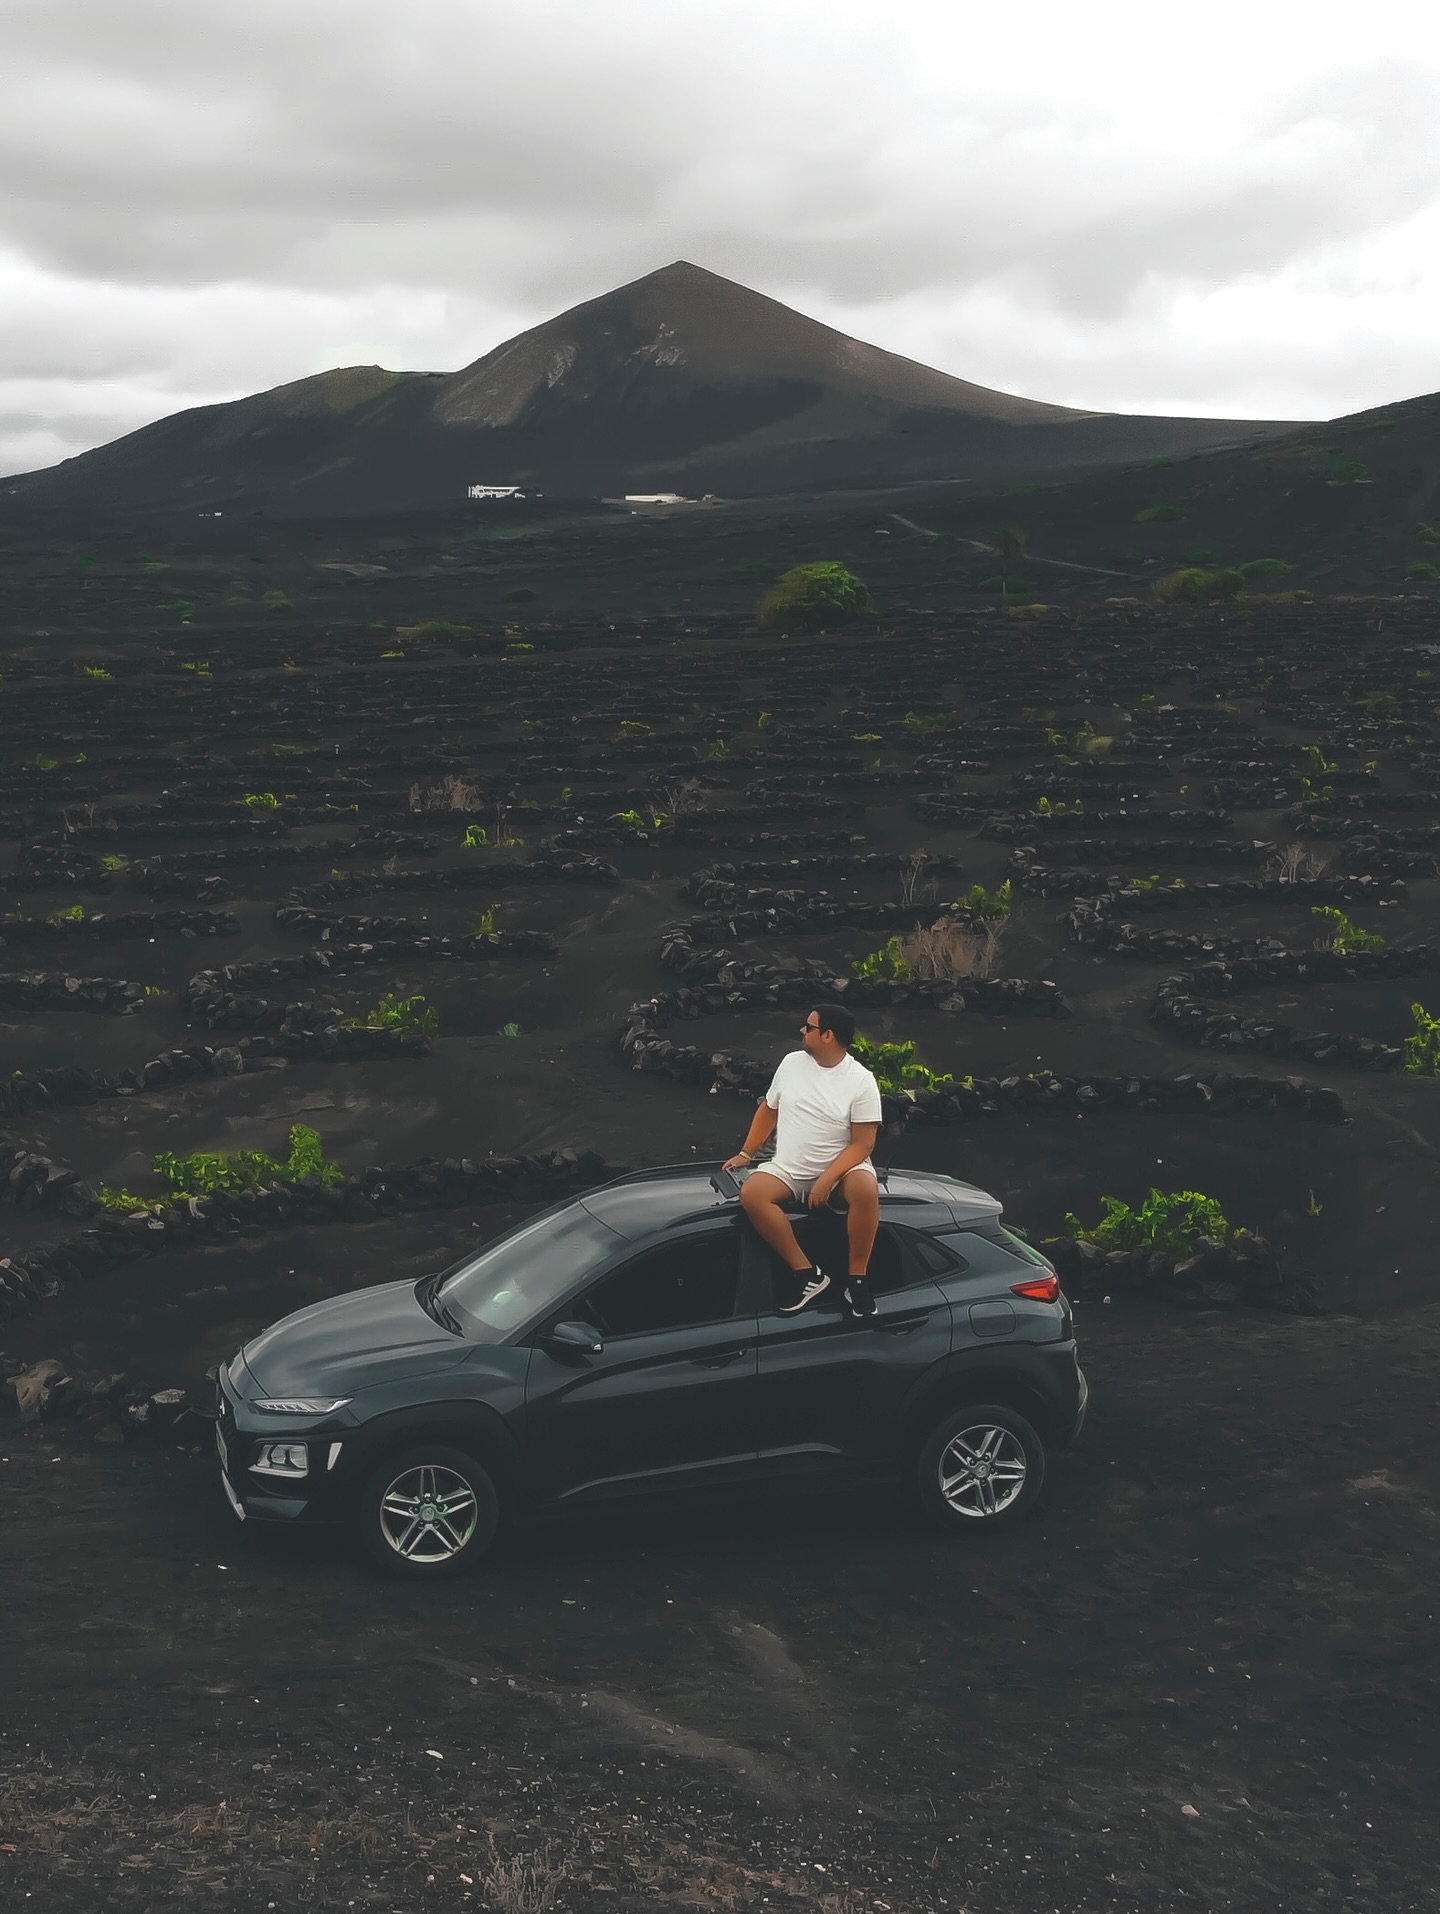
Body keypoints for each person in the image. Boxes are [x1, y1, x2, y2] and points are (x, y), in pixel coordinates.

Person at [723, 1002, 883, 1319]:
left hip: (840, 1173)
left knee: (865, 1187)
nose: (802, 1031)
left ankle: (858, 1281)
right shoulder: (791, 1063)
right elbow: (769, 1109)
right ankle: (807, 1273)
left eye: (808, 1027)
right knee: (753, 1195)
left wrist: (827, 1179)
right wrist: (746, 1153)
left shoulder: (861, 1081)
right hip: (790, 1170)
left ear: (827, 1035)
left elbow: (863, 1143)